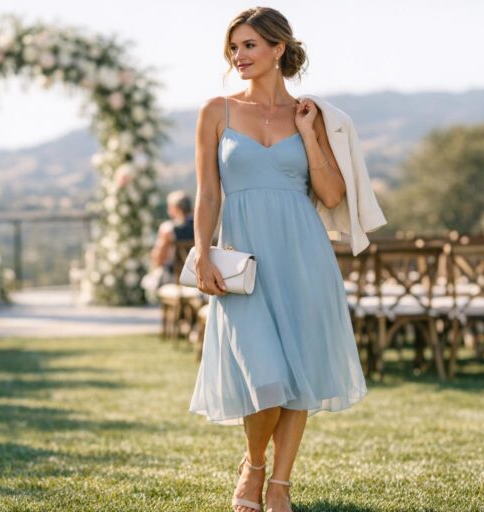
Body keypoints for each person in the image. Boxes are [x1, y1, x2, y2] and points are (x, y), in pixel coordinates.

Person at [187, 8, 374, 512]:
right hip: (243, 262)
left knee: (300, 374)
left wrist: (309, 135)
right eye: (234, 47)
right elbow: (208, 195)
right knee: (264, 376)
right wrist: (202, 253)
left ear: (278, 49)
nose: (238, 56)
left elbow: (332, 195)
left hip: (304, 257)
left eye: (249, 45)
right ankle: (253, 465)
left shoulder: (313, 115)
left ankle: (279, 486)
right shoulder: (216, 111)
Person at [142, 191, 195, 302]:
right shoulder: (201, 227)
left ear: (175, 208)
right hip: (197, 275)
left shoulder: (168, 229)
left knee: (153, 277)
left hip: (175, 278)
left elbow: (159, 259)